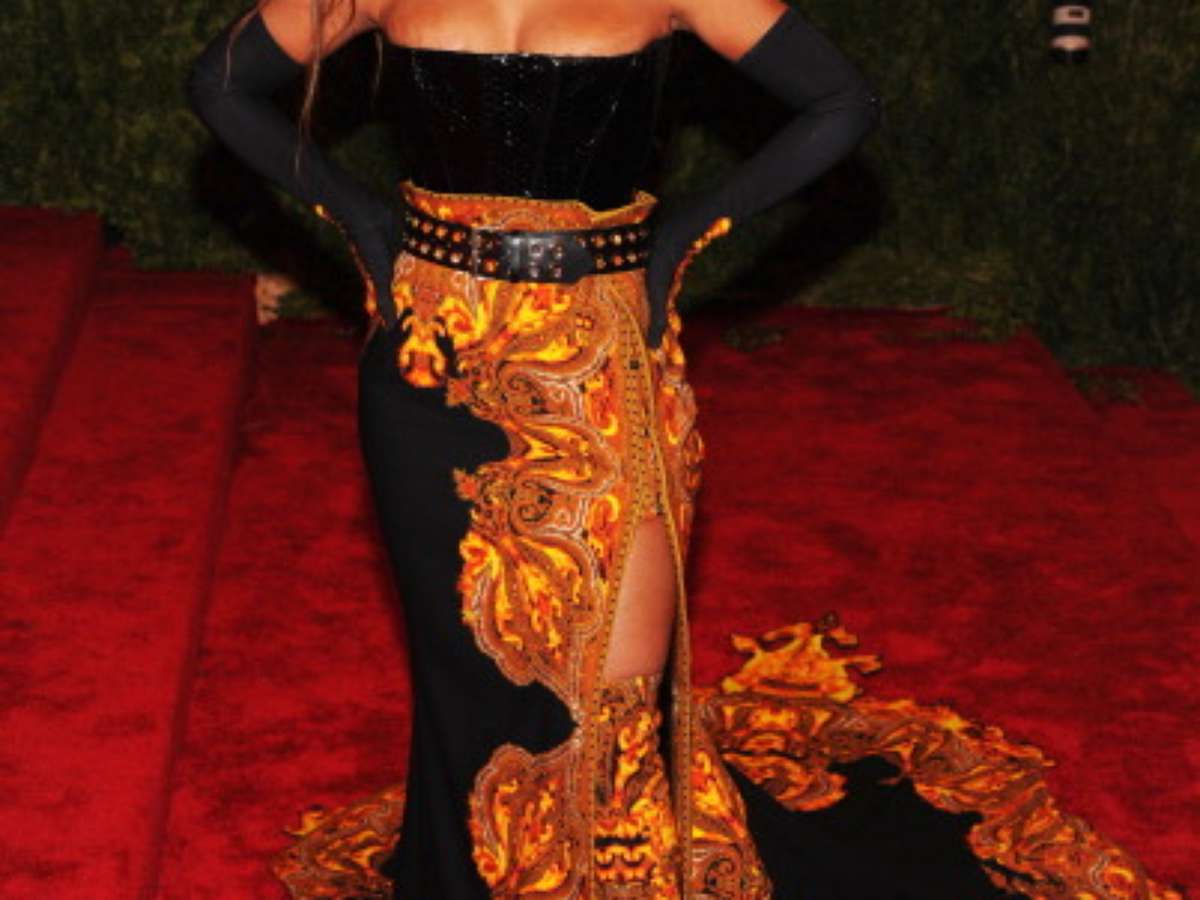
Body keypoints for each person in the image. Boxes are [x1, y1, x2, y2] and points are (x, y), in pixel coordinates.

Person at [188, 2, 1177, 898]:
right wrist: (360, 217)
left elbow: (840, 102)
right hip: (428, 363)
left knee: (617, 679)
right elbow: (220, 84)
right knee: (466, 667)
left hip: (600, 353)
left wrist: (680, 240)